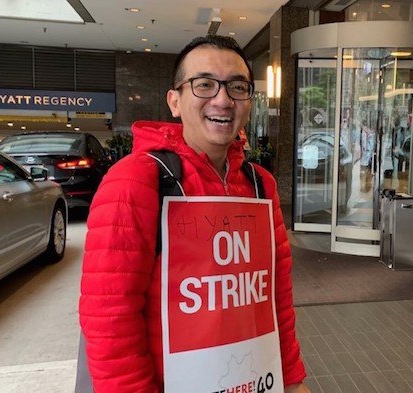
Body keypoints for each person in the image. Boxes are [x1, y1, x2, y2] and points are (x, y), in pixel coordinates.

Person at [79, 35, 309, 393]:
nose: (223, 99)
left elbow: (275, 299)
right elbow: (110, 317)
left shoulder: (260, 185)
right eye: (204, 84)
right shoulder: (135, 181)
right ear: (175, 100)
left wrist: (292, 380)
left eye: (237, 86)